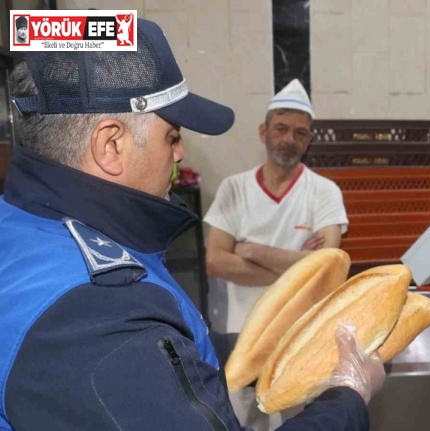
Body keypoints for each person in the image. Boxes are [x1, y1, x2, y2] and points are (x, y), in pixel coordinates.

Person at [0, 18, 383, 431]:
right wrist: (349, 398)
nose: (181, 151)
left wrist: (281, 350)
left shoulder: (29, 226)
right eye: (171, 135)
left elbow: (170, 353)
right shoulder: (98, 313)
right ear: (111, 145)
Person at [204, 79, 349, 430]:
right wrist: (301, 266)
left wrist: (250, 249)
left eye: (301, 133)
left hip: (300, 334)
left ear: (309, 139)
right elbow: (215, 261)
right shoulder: (234, 188)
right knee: (241, 420)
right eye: (281, 129)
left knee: (300, 419)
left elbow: (330, 266)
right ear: (263, 131)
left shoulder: (324, 192)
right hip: (240, 335)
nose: (290, 139)